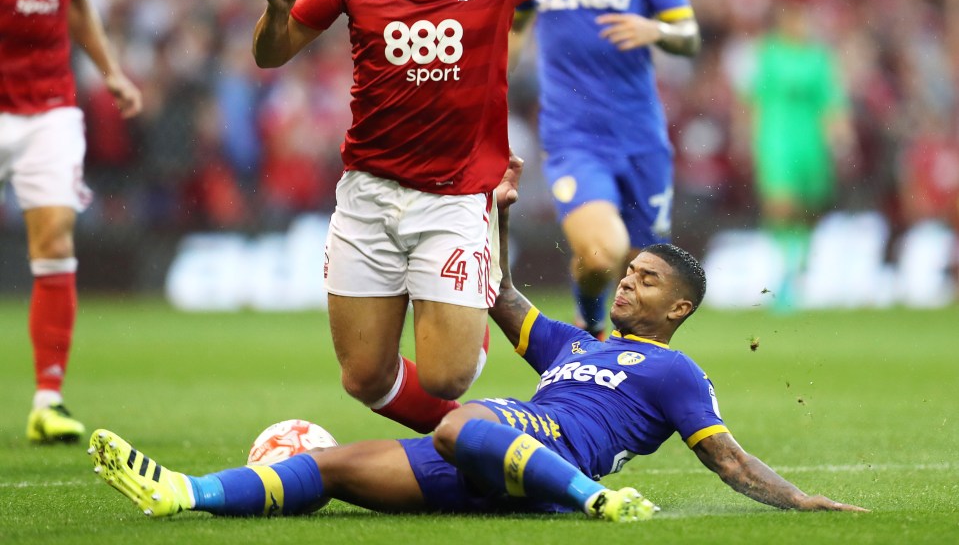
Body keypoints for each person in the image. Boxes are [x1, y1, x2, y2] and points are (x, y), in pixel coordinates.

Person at [88, 156, 867, 521]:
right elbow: (493, 291)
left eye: (646, 281)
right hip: (493, 456)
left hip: (543, 446)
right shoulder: (573, 344)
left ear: (679, 311)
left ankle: (595, 501)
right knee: (328, 467)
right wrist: (490, 209)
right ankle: (180, 493)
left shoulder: (674, 373)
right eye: (627, 272)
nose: (626, 283)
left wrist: (803, 502)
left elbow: (724, 456)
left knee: (462, 418)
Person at [250, 0, 646, 434]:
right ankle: (479, 440)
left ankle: (472, 377)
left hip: (457, 195)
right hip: (368, 193)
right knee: (364, 378)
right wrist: (275, 14)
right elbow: (271, 53)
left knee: (446, 376)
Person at [508, 0, 701, 340]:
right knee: (600, 253)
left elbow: (690, 36)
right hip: (574, 138)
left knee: (643, 277)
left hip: (640, 137)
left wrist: (654, 29)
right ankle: (588, 327)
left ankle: (616, 378)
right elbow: (509, 41)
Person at [0, 0, 142, 443]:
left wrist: (110, 71)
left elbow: (77, 1)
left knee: (55, 238)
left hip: (52, 105)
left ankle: (48, 398)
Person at [738, 0, 854, 311]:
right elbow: (754, 101)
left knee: (807, 211)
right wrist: (745, 137)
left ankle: (796, 269)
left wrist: (841, 135)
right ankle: (785, 275)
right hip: (775, 140)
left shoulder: (819, 57)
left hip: (810, 142)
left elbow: (831, 101)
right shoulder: (768, 53)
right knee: (781, 205)